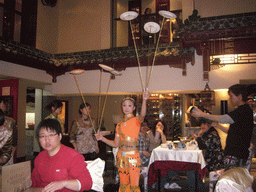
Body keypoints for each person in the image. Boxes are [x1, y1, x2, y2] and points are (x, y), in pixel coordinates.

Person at [95, 89, 149, 192]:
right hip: (121, 157)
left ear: (133, 108)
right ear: (122, 107)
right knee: (123, 185)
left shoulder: (136, 120)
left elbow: (143, 114)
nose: (126, 108)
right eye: (124, 105)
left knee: (134, 185)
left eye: (129, 105)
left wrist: (145, 100)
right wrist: (102, 138)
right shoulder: (119, 125)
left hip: (133, 157)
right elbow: (115, 144)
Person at [191, 84, 254, 171]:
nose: (229, 99)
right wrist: (218, 126)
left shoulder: (243, 110)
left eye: (231, 96)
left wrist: (202, 114)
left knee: (232, 179)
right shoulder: (244, 110)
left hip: (236, 152)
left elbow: (224, 118)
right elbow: (233, 132)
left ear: (239, 97)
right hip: (238, 152)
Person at [31, 118, 93, 192]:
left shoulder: (73, 156)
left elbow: (87, 183)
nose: (47, 140)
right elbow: (34, 183)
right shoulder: (39, 158)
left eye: (51, 135)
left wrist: (63, 183)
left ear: (60, 136)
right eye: (43, 136)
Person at [0, 97, 17, 163]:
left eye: (2, 106)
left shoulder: (11, 121)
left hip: (6, 155)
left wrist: (11, 154)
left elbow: (15, 140)